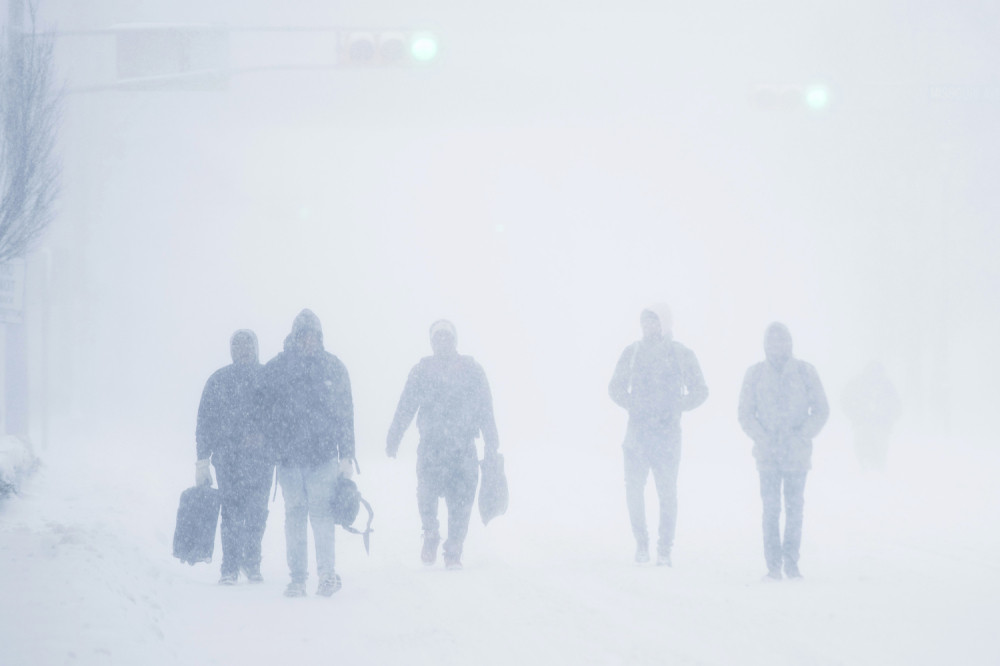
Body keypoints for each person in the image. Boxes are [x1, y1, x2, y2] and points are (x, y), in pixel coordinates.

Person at [386, 319, 500, 570]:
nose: (443, 342)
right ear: (432, 342)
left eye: (447, 337)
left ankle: (454, 549)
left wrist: (492, 443)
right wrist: (394, 436)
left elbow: (485, 409)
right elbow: (406, 406)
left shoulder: (472, 370)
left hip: (463, 448)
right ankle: (430, 533)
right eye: (438, 338)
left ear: (455, 340)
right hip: (431, 447)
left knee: (462, 501)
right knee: (426, 494)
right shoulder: (422, 370)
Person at [260, 309, 356, 597]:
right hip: (288, 459)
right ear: (295, 336)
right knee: (295, 515)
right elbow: (262, 410)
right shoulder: (277, 368)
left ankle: (326, 575)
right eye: (304, 335)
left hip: (323, 456)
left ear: (320, 337)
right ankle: (298, 578)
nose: (309, 341)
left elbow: (345, 413)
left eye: (314, 335)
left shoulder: (334, 367)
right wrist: (270, 445)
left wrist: (347, 454)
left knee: (322, 515)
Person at [608, 304, 708, 566]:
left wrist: (676, 406)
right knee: (634, 492)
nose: (648, 326)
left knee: (667, 494)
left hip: (667, 437)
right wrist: (633, 404)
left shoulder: (680, 354)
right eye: (645, 321)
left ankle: (664, 549)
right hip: (637, 436)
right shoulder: (632, 353)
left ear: (665, 324)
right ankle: (642, 544)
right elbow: (615, 387)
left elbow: (700, 390)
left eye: (654, 321)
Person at [738, 322, 829, 581]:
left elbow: (822, 410)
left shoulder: (805, 372)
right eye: (772, 341)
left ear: (790, 343)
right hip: (767, 457)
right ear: (765, 344)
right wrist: (762, 437)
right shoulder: (754, 375)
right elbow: (744, 414)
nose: (778, 345)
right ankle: (773, 565)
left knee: (794, 509)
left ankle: (791, 562)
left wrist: (802, 436)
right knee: (770, 509)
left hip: (797, 456)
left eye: (782, 340)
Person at [195, 329, 273, 585]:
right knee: (230, 513)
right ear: (231, 349)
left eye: (247, 344)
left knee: (257, 512)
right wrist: (202, 460)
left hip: (262, 459)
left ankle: (251, 562)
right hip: (227, 459)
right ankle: (229, 566)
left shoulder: (267, 377)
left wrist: (265, 436)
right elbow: (205, 422)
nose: (243, 349)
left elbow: (281, 417)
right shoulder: (218, 380)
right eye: (237, 345)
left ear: (256, 347)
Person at [841, 361, 901, 472]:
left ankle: (872, 474)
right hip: (865, 425)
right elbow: (845, 401)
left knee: (875, 454)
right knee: (866, 454)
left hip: (878, 426)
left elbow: (896, 407)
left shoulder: (886, 386)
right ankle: (869, 474)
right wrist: (856, 415)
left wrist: (887, 419)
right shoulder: (858, 384)